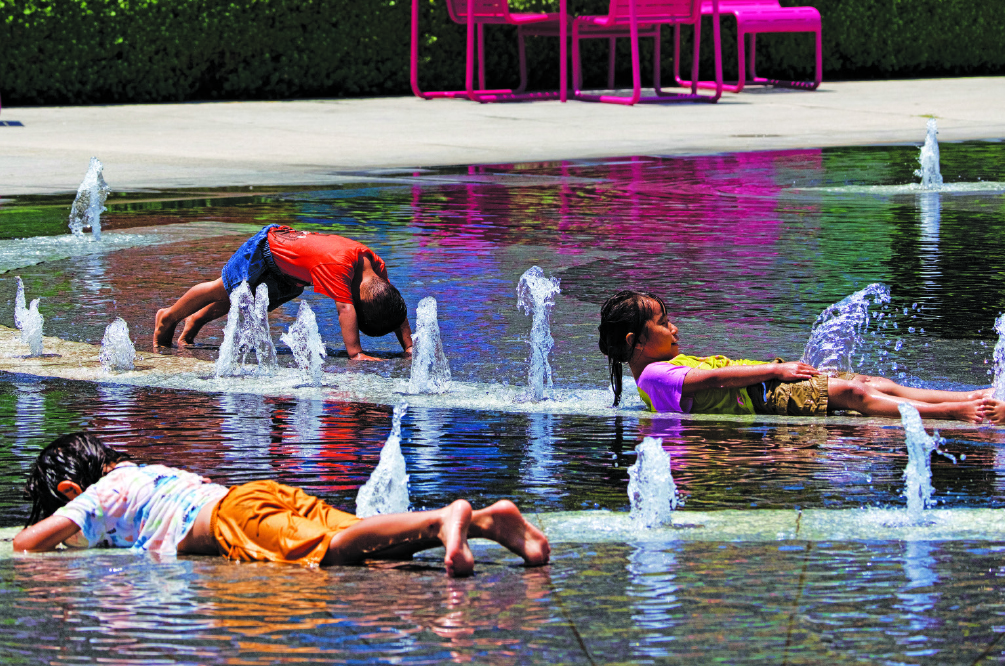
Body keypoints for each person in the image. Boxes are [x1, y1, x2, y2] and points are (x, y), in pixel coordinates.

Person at [13, 433, 550, 578]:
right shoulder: (144, 472)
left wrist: (52, 529)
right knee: (375, 544)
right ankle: (486, 522)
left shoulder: (93, 496)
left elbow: (26, 544)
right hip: (253, 494)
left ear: (68, 491)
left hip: (232, 520)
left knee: (331, 553)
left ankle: (444, 518)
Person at [598, 290, 989, 423]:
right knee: (857, 396)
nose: (674, 329)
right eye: (665, 324)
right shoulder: (653, 377)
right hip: (770, 396)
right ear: (636, 341)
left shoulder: (661, 367)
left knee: (867, 383)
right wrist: (776, 368)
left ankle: (967, 397)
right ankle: (953, 412)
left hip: (770, 387)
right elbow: (714, 380)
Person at [153, 224, 413, 361]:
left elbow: (395, 306)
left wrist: (409, 347)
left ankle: (195, 321)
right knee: (221, 288)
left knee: (240, 303)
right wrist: (355, 353)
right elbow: (345, 309)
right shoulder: (338, 269)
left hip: (288, 274)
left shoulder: (375, 267)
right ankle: (169, 316)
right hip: (265, 253)